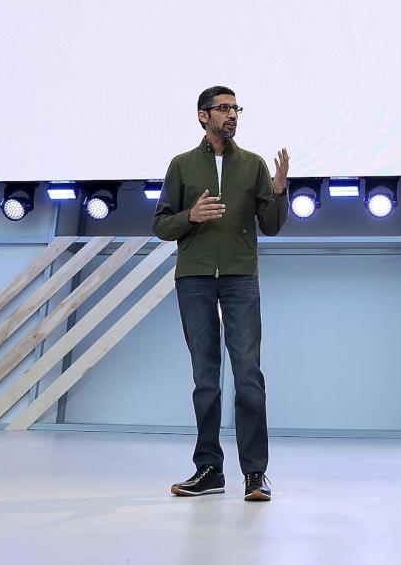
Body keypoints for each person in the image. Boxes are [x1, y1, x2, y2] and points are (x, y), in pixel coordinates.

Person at [152, 85, 290, 501]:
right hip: (193, 277)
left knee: (248, 375)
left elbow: (272, 225)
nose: (232, 114)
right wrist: (190, 217)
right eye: (223, 108)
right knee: (205, 378)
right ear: (203, 116)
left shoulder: (252, 165)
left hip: (239, 277)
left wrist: (279, 190)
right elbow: (161, 226)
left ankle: (255, 474)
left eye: (236, 108)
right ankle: (209, 469)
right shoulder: (181, 166)